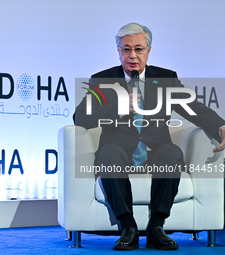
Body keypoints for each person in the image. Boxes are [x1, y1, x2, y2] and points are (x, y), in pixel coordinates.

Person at [74, 22, 225, 250]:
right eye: (126, 49)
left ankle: (156, 226)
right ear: (118, 51)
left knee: (173, 152)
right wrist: (120, 105)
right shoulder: (102, 80)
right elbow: (81, 118)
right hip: (119, 152)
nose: (132, 55)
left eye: (138, 49)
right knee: (109, 152)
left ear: (148, 51)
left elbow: (192, 106)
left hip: (156, 151)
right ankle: (128, 227)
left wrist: (220, 125)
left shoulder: (166, 78)